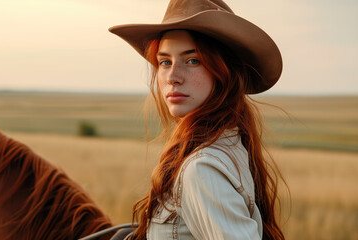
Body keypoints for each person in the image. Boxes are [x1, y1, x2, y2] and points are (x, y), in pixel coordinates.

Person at [109, 0, 285, 239]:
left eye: (193, 60)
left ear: (224, 71)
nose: (172, 76)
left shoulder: (201, 168)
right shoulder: (229, 144)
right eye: (165, 62)